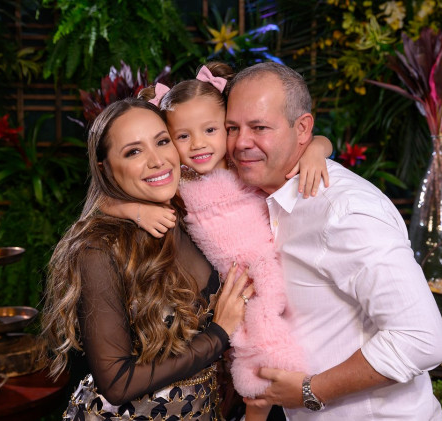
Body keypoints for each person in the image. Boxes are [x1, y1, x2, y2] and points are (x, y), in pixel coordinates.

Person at [106, 62, 333, 421]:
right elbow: (103, 201)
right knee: (250, 367)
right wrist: (135, 211)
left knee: (273, 355)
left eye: (211, 130)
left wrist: (317, 150)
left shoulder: (238, 163)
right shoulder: (178, 181)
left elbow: (312, 139)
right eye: (182, 137)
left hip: (270, 268)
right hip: (232, 286)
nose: (198, 144)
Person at [224, 62, 442, 420]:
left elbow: (423, 339)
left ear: (302, 129)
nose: (240, 142)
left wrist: (312, 391)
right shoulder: (259, 196)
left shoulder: (344, 211)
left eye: (259, 127)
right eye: (231, 128)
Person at [40, 97, 254, 421]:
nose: (157, 160)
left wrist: (317, 149)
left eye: (162, 141)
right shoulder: (99, 250)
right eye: (133, 152)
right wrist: (218, 335)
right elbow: (117, 383)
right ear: (104, 167)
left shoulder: (192, 213)